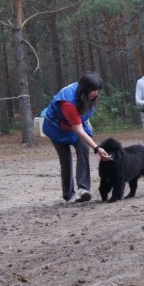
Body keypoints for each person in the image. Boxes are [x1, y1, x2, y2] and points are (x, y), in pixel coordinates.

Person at [41, 71, 112, 202]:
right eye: (93, 90)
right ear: (85, 89)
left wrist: (88, 124)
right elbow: (78, 130)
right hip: (56, 127)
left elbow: (84, 116)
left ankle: (83, 189)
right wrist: (97, 148)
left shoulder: (87, 96)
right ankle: (69, 195)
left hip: (74, 125)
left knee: (83, 148)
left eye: (97, 90)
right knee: (66, 159)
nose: (96, 93)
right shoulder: (68, 102)